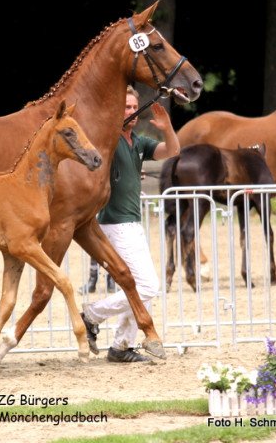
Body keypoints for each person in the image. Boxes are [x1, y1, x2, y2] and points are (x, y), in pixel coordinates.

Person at [81, 85, 179, 363]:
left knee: (140, 287)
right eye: (125, 107)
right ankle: (91, 315)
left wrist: (167, 127)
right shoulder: (107, 140)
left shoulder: (138, 141)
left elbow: (171, 150)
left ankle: (121, 346)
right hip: (115, 224)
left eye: (134, 108)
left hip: (133, 223)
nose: (131, 112)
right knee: (147, 286)